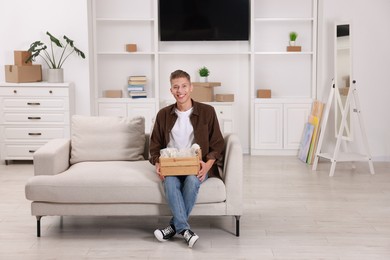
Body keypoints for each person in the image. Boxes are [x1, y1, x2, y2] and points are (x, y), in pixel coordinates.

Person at [149, 69, 224, 248]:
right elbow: (154, 146)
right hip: (172, 166)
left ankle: (174, 227)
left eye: (183, 86)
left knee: (191, 181)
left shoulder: (207, 112)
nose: (180, 90)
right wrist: (158, 163)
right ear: (171, 90)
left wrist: (207, 166)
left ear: (191, 88)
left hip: (197, 165)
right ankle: (184, 230)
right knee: (169, 182)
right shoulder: (163, 114)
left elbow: (217, 144)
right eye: (176, 87)